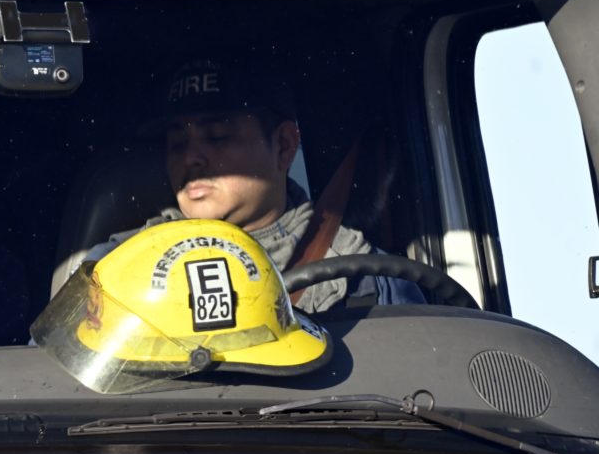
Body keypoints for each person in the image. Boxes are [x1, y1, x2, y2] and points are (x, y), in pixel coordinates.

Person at [82, 56, 424, 313]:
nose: (191, 158)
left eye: (217, 136)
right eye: (177, 143)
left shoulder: (366, 277)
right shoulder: (114, 268)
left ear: (284, 146)